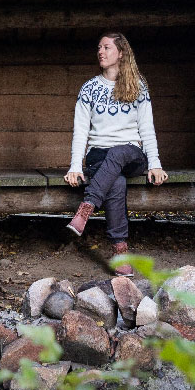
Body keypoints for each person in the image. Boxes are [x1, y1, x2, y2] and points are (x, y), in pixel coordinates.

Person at [64, 31, 167, 272]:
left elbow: (147, 129)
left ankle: (86, 207)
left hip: (131, 154)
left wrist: (155, 163)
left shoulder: (137, 86)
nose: (100, 51)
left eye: (107, 47)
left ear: (121, 53)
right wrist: (75, 166)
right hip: (99, 155)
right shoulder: (89, 88)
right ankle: (120, 251)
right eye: (99, 47)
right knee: (117, 183)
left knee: (119, 153)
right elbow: (81, 131)